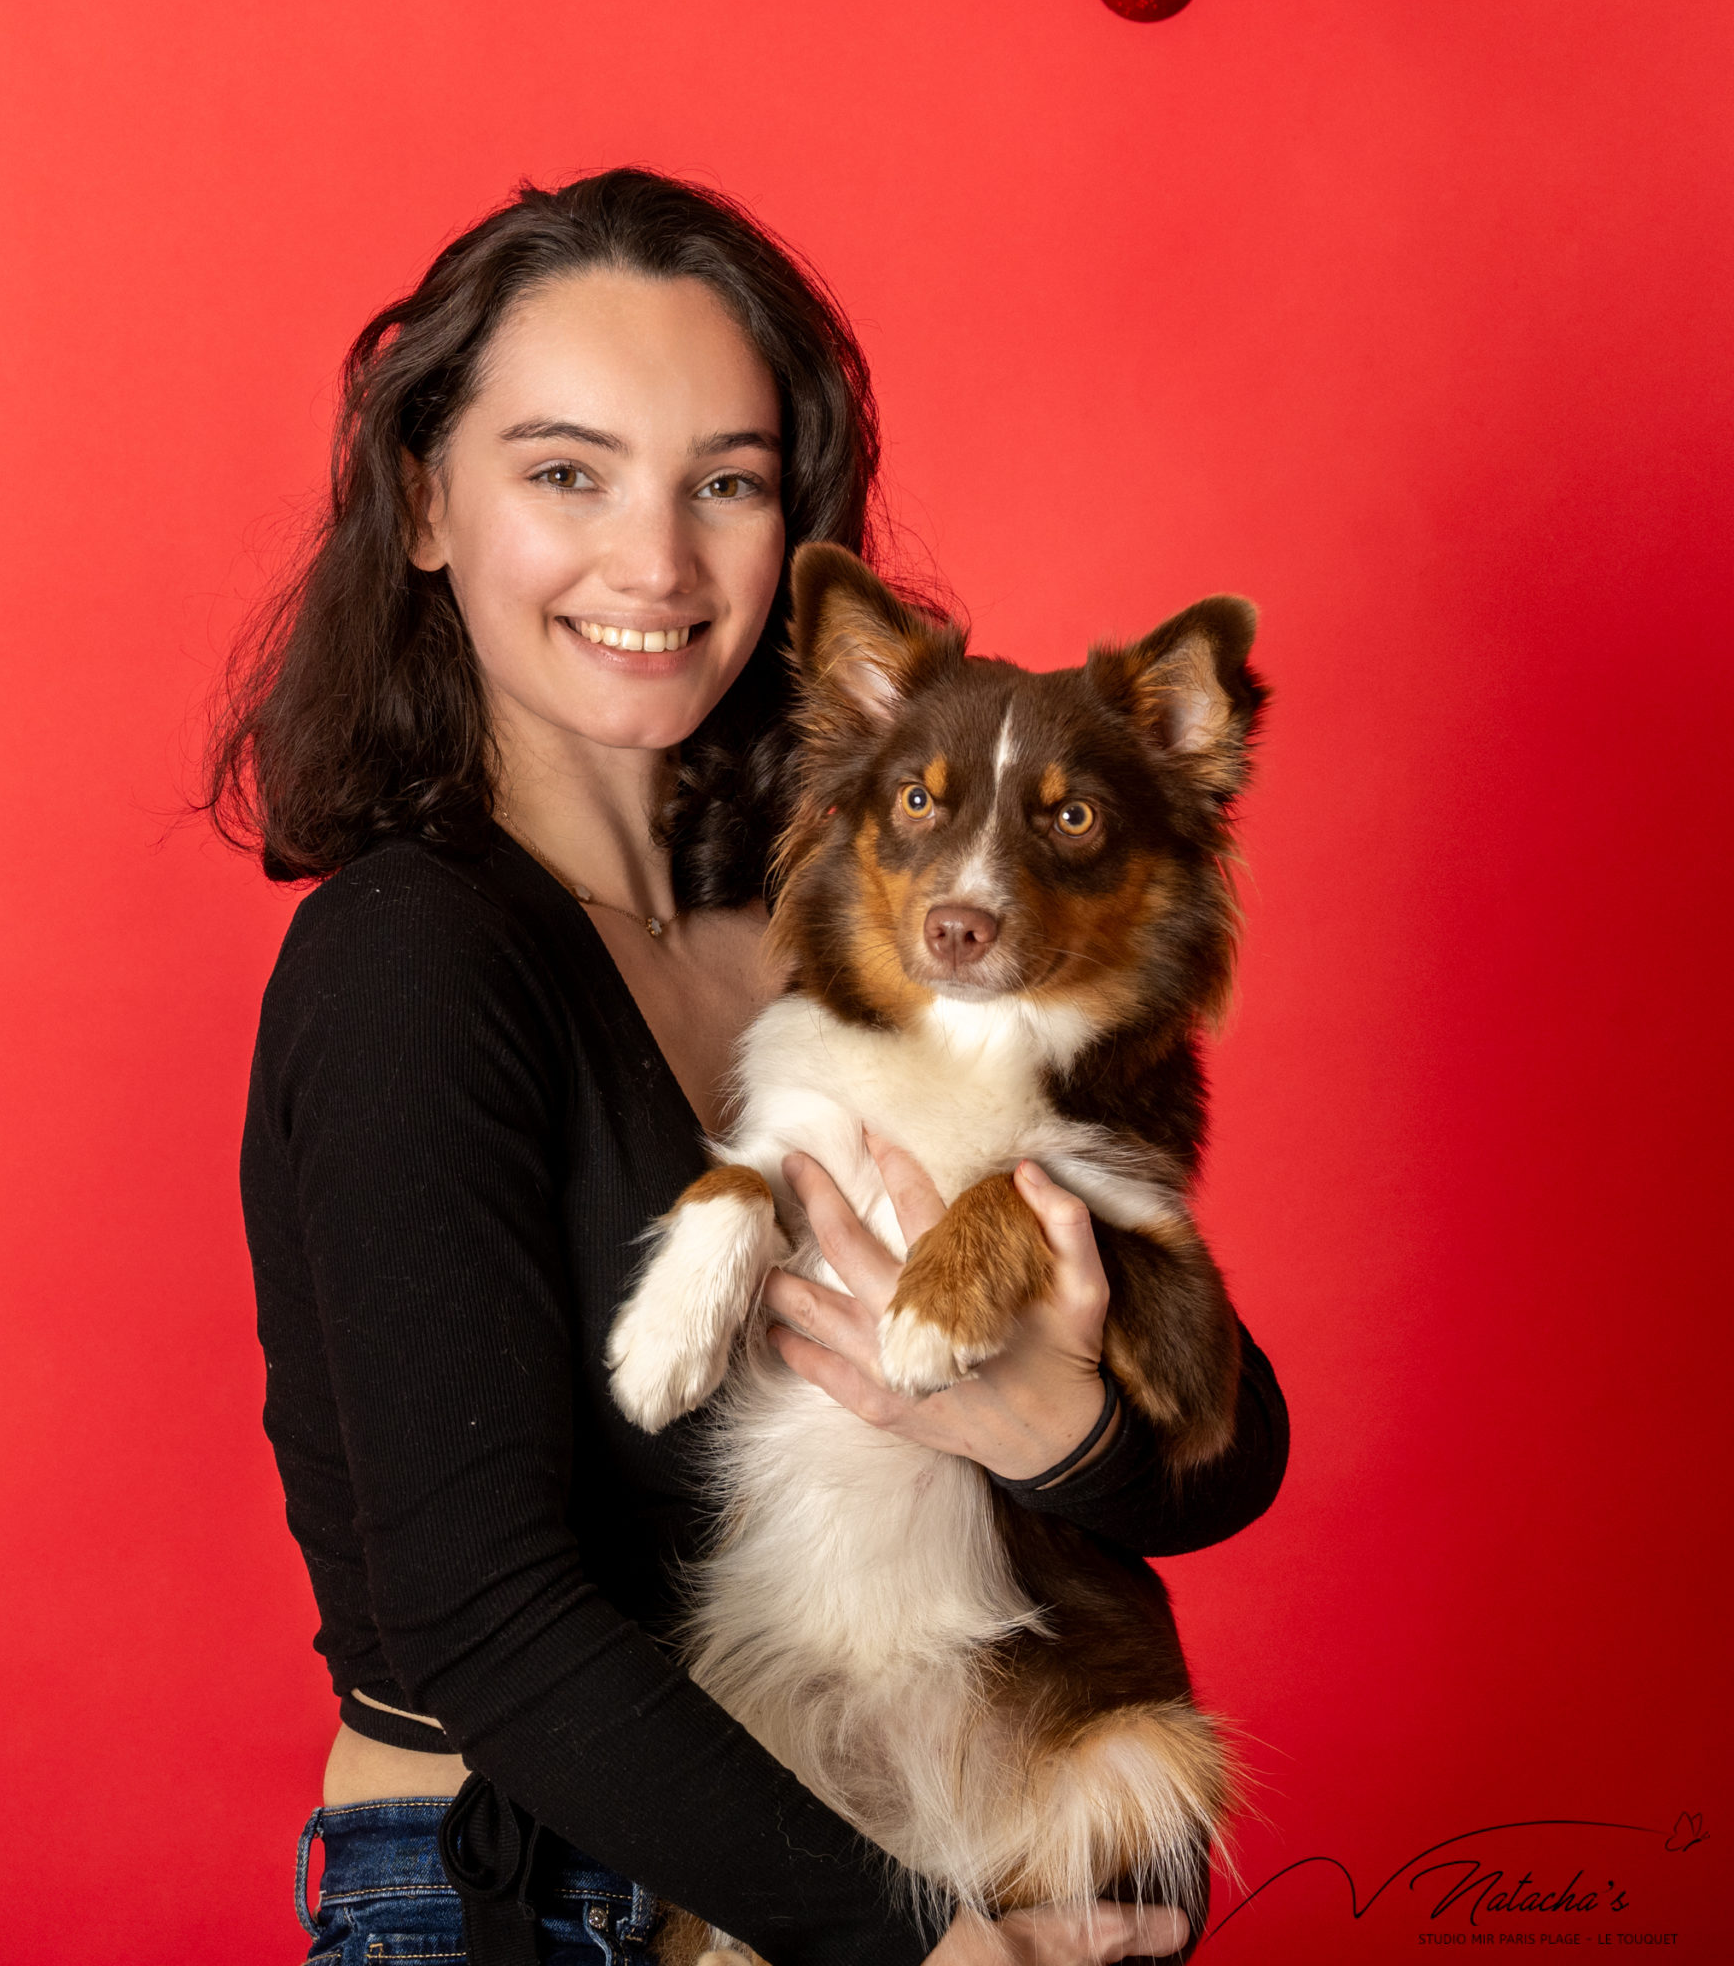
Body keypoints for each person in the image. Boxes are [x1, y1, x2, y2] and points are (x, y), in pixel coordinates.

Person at [212, 169, 1289, 1966]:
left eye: (724, 481)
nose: (655, 563)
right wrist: (930, 1950)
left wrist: (1055, 1425)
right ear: (426, 503)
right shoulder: (410, 961)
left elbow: (1231, 1457)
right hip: (550, 1903)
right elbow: (486, 1623)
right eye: (568, 474)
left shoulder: (848, 925)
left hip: (957, 1847)